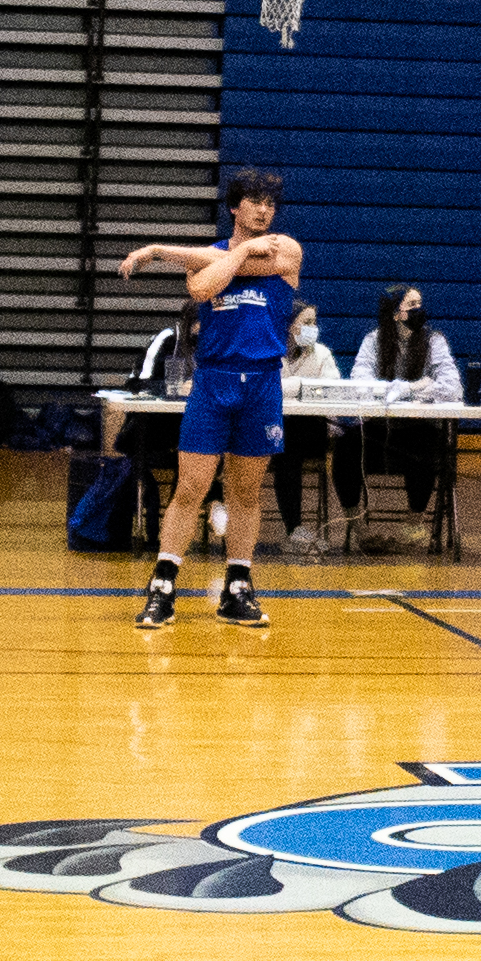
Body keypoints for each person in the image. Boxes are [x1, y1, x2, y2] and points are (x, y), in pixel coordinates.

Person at [119, 166, 297, 631]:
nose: (264, 211)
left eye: (270, 203)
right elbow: (200, 287)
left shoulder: (286, 250)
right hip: (213, 383)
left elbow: (212, 267)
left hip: (261, 384)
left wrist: (165, 252)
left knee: (245, 492)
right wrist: (233, 256)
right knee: (191, 488)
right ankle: (163, 586)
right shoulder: (213, 259)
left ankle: (238, 587)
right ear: (235, 208)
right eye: (255, 202)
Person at [326, 283, 466, 538]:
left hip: (418, 429)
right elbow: (360, 381)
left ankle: (415, 524)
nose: (419, 310)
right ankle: (358, 529)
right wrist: (403, 388)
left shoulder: (434, 341)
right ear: (394, 313)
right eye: (412, 305)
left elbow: (452, 387)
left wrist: (408, 390)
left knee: (428, 448)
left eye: (420, 304)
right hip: (378, 430)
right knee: (346, 450)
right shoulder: (374, 340)